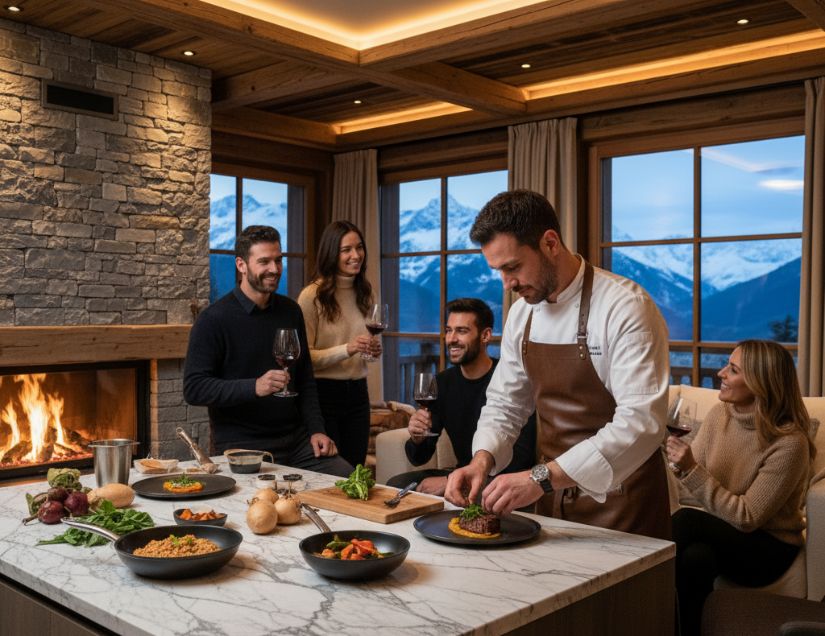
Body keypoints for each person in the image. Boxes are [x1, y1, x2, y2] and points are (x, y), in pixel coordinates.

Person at [444, 189, 672, 540]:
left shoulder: (625, 307)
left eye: (513, 267)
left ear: (550, 243)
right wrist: (482, 460)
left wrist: (541, 478)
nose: (507, 285)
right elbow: (506, 402)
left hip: (624, 505)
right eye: (498, 272)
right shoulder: (522, 314)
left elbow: (641, 424)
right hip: (551, 500)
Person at [665, 340, 815, 636]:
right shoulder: (720, 414)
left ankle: (635, 594)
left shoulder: (789, 443)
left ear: (761, 382)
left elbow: (748, 517)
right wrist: (677, 464)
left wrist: (690, 469)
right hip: (722, 533)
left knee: (686, 520)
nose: (721, 373)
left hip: (768, 548)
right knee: (697, 558)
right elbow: (694, 474)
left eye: (732, 370)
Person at [183, 225, 353, 477]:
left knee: (350, 482)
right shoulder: (213, 319)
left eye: (278, 260)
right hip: (243, 447)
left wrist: (317, 430)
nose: (274, 269)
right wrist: (254, 386)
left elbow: (304, 379)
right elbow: (194, 388)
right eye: (264, 261)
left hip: (297, 443)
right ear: (241, 265)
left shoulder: (290, 311)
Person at [386, 298, 536, 495]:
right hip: (461, 473)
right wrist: (417, 438)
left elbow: (520, 459)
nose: (451, 339)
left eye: (462, 331)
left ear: (485, 336)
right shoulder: (442, 383)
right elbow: (420, 457)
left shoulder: (510, 381)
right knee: (396, 485)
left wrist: (448, 480)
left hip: (505, 481)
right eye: (448, 330)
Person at [297, 220, 380, 468]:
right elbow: (304, 358)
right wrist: (349, 348)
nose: (356, 255)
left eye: (359, 247)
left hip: (358, 394)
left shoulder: (366, 292)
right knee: (330, 471)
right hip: (323, 395)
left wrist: (371, 351)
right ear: (332, 252)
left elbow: (364, 352)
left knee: (355, 468)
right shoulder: (312, 296)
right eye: (346, 250)